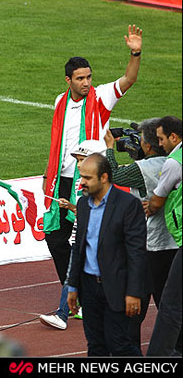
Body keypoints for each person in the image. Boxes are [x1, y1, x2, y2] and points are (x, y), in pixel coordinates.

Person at [43, 25, 142, 313]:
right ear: (68, 80)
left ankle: (80, 299)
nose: (86, 82)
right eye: (80, 78)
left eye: (89, 77)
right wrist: (48, 175)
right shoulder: (60, 101)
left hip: (91, 179)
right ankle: (76, 294)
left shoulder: (100, 97)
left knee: (88, 238)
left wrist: (135, 52)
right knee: (56, 237)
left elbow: (130, 78)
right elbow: (57, 143)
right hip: (61, 179)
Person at [104, 118, 180, 349]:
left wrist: (109, 148)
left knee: (138, 302)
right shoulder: (174, 159)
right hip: (174, 242)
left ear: (148, 146)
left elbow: (113, 176)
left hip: (152, 244)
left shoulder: (142, 169)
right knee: (171, 301)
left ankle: (132, 352)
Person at [67, 154, 147, 356]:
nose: (82, 182)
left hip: (117, 288)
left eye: (87, 177)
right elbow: (78, 248)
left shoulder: (128, 204)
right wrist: (73, 286)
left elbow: (136, 252)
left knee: (119, 345)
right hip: (89, 287)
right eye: (81, 176)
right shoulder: (83, 205)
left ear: (104, 177)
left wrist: (134, 292)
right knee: (95, 346)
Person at [39, 139, 106, 330]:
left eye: (82, 159)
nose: (78, 164)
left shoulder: (102, 184)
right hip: (81, 235)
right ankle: (64, 314)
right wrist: (70, 206)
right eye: (77, 160)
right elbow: (84, 210)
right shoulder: (80, 182)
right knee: (72, 275)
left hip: (96, 238)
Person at [145, 116, 182, 356]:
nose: (160, 144)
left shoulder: (173, 162)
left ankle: (158, 357)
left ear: (174, 137)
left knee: (170, 303)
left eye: (161, 139)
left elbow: (156, 201)